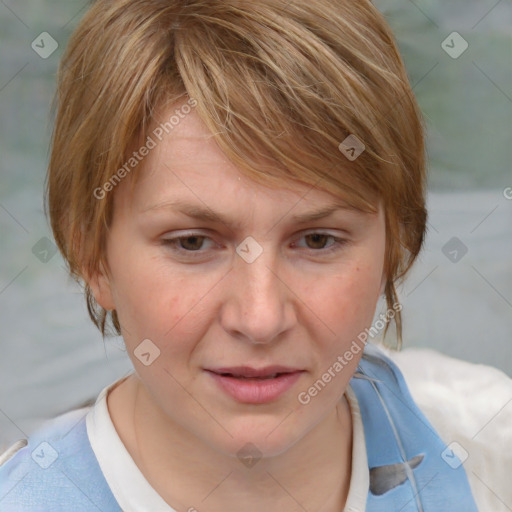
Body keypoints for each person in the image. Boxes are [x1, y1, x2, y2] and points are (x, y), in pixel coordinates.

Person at [0, 0, 506, 510]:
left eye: (317, 240)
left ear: (394, 242)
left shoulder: (486, 444)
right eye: (193, 243)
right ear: (93, 255)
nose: (261, 319)